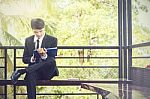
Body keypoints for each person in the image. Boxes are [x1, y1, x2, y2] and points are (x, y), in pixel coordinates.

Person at [11, 18, 59, 99]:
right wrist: (32, 58)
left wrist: (44, 56)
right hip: (34, 71)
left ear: (44, 29)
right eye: (36, 32)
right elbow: (24, 59)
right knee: (30, 76)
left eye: (41, 31)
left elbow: (52, 58)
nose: (39, 34)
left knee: (51, 60)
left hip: (47, 71)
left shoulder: (52, 40)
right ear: (32, 30)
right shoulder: (28, 40)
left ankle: (22, 71)